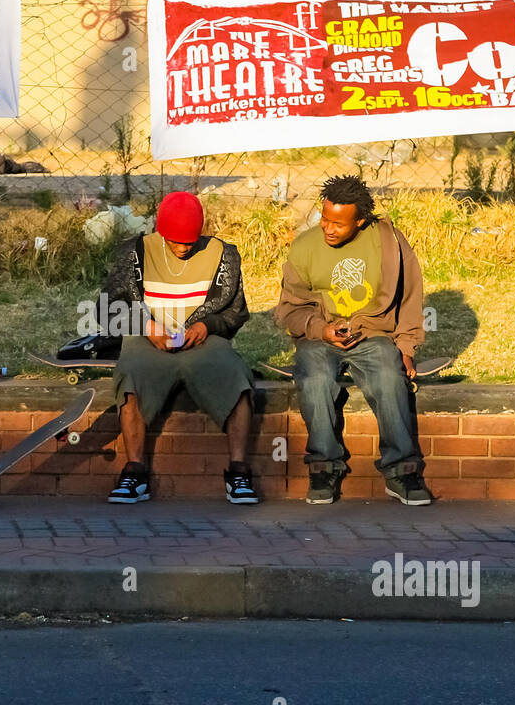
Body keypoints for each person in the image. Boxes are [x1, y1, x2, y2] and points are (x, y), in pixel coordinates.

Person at [274, 175, 433, 506]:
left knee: (390, 377)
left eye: (339, 224)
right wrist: (320, 330)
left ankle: (401, 471)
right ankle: (323, 467)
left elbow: (410, 297)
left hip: (373, 334)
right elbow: (289, 310)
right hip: (320, 336)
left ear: (360, 220)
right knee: (315, 379)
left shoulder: (387, 242)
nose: (328, 229)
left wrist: (406, 348)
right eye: (324, 219)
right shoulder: (304, 247)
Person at [100, 191, 258, 504]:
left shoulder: (223, 254)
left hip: (201, 339)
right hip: (148, 337)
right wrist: (146, 327)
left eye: (190, 241)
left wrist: (206, 326)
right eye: (175, 242)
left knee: (237, 378)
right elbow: (107, 309)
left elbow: (235, 312)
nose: (183, 248)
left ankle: (238, 471)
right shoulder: (135, 252)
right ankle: (135, 472)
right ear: (160, 232)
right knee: (130, 375)